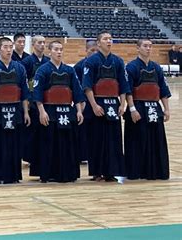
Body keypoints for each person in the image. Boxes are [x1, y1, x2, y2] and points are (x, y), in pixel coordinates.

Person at [34, 41, 85, 183]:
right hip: (50, 110)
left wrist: (79, 111)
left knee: (67, 144)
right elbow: (37, 93)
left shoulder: (70, 70)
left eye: (61, 49)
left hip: (67, 111)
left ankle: (67, 173)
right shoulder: (42, 70)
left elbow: (77, 92)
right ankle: (49, 173)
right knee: (49, 143)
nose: (59, 52)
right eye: (56, 49)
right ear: (49, 52)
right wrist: (42, 112)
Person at [0, 37, 30, 184]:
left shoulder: (19, 68)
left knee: (14, 143)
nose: (9, 50)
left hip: (15, 110)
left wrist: (26, 112)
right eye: (6, 47)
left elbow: (25, 93)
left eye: (10, 47)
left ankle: (13, 174)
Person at [82, 31, 129, 182]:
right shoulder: (91, 61)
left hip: (113, 104)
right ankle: (97, 172)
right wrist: (94, 105)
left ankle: (111, 172)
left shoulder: (118, 61)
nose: (109, 41)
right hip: (97, 104)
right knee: (96, 139)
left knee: (113, 139)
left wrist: (122, 104)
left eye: (110, 39)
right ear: (98, 42)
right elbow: (87, 86)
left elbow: (123, 85)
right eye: (105, 39)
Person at [124, 39, 171, 180]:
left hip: (154, 108)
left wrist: (166, 109)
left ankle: (156, 171)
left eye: (150, 46)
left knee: (156, 141)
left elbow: (163, 89)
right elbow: (128, 91)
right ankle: (136, 171)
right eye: (145, 46)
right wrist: (132, 109)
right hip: (138, 107)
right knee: (138, 140)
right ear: (138, 48)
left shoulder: (156, 67)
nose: (148, 48)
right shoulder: (131, 67)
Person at [22, 35, 50, 169]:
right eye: (39, 42)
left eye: (44, 43)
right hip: (32, 101)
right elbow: (24, 83)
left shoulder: (48, 61)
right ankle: (31, 157)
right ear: (33, 44)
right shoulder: (27, 62)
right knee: (32, 131)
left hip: (46, 101)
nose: (42, 45)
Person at [73, 40, 98, 162]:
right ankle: (82, 155)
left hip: (97, 101)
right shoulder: (79, 66)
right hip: (84, 101)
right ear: (86, 51)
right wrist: (80, 102)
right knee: (83, 129)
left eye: (96, 51)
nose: (94, 53)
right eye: (91, 51)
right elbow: (77, 87)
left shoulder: (99, 64)